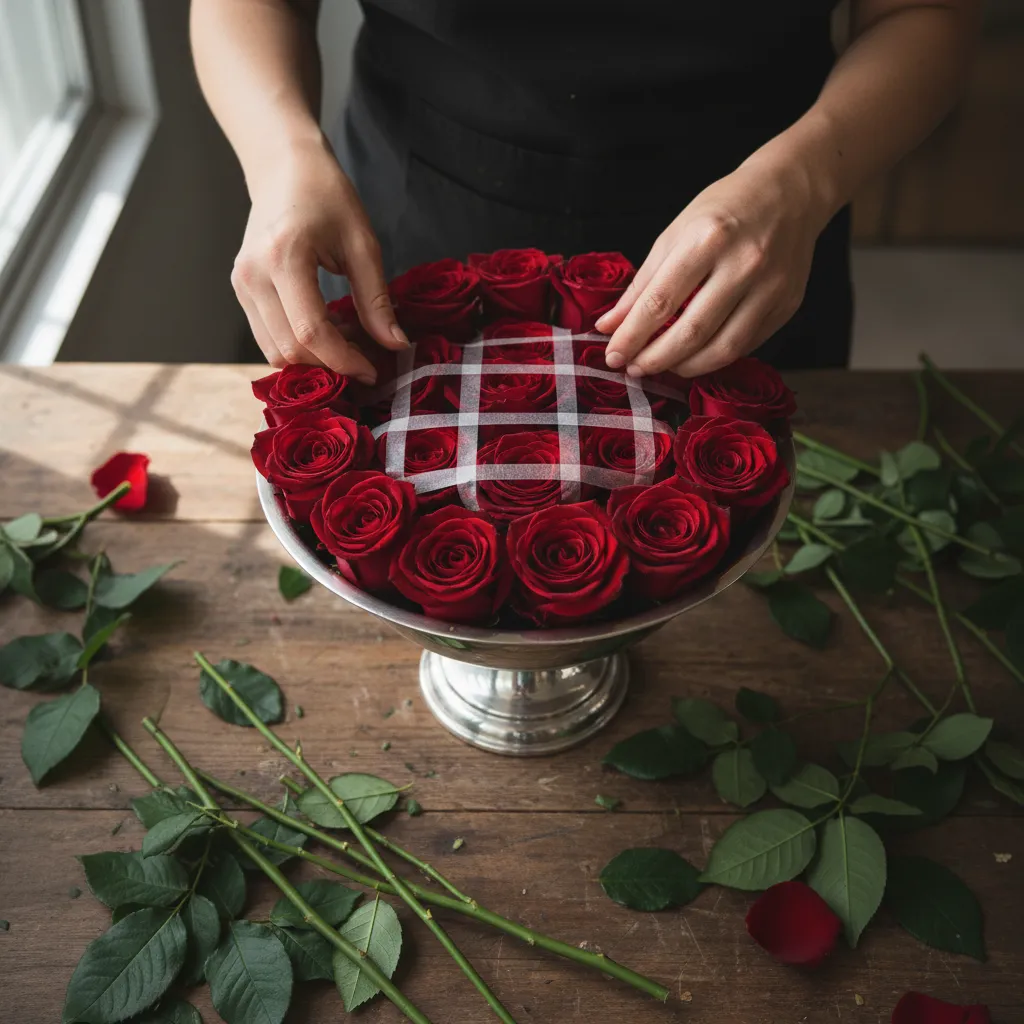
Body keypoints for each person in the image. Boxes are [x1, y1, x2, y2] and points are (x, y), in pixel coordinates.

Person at [191, 0, 980, 386]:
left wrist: (804, 183)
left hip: (756, 230)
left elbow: (925, 13)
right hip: (412, 221)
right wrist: (280, 156)